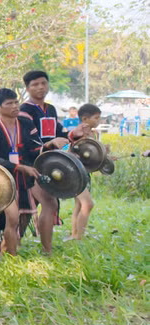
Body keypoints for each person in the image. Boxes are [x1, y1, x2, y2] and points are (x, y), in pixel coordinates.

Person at [0, 88, 43, 256]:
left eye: (16, 102)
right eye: (9, 103)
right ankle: (12, 258)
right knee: (13, 217)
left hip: (25, 178)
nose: (15, 106)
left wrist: (47, 148)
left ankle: (9, 247)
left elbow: (34, 148)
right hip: (3, 180)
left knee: (25, 215)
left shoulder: (26, 124)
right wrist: (19, 167)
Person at [19, 70, 71, 254]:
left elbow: (59, 134)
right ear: (27, 88)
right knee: (49, 203)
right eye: (35, 84)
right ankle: (46, 250)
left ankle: (10, 248)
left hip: (49, 164)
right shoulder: (24, 111)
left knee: (27, 207)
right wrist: (49, 144)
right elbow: (28, 141)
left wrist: (74, 134)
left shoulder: (50, 109)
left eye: (43, 83)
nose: (41, 87)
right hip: (30, 164)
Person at [69, 103, 102, 240]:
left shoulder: (93, 133)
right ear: (84, 119)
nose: (98, 121)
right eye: (96, 118)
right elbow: (70, 138)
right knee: (88, 204)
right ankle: (79, 238)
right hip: (75, 172)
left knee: (79, 205)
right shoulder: (78, 131)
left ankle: (74, 234)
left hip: (84, 173)